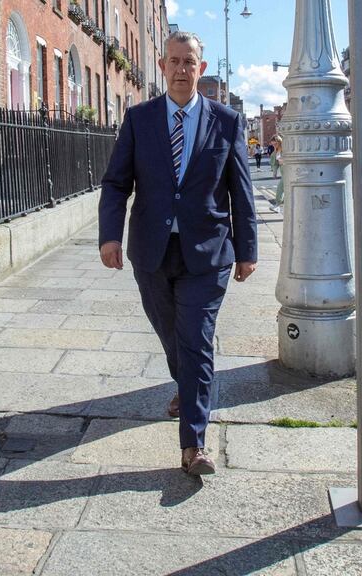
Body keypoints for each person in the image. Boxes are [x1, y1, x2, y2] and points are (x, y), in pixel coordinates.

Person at [98, 31, 258, 476]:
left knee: (196, 340)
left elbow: (240, 191)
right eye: (175, 61)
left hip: (207, 254)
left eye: (190, 62)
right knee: (173, 337)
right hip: (151, 251)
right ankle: (187, 387)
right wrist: (109, 235)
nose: (182, 69)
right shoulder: (139, 119)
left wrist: (247, 249)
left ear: (201, 69)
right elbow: (116, 183)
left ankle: (195, 445)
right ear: (162, 66)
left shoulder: (226, 121)